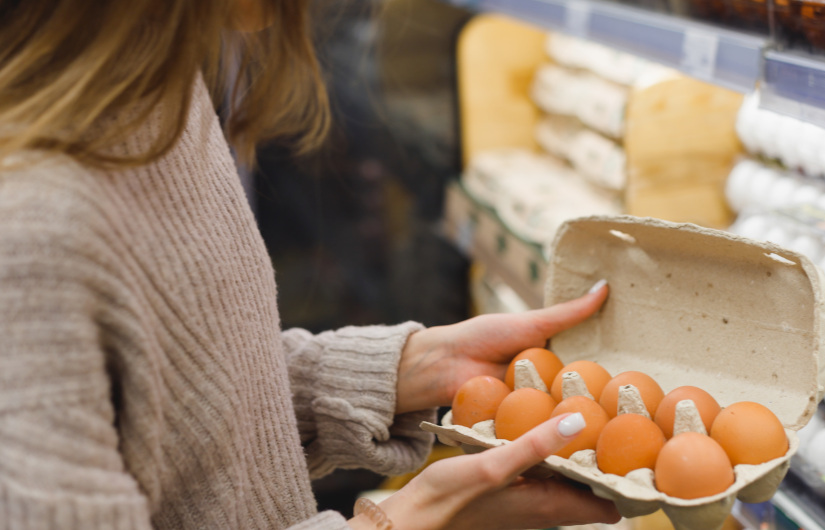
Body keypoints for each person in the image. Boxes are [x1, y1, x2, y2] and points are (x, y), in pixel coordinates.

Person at [0, 1, 622, 529]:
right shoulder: (30, 226)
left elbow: (169, 412)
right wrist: (403, 521)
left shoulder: (153, 91)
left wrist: (403, 371)